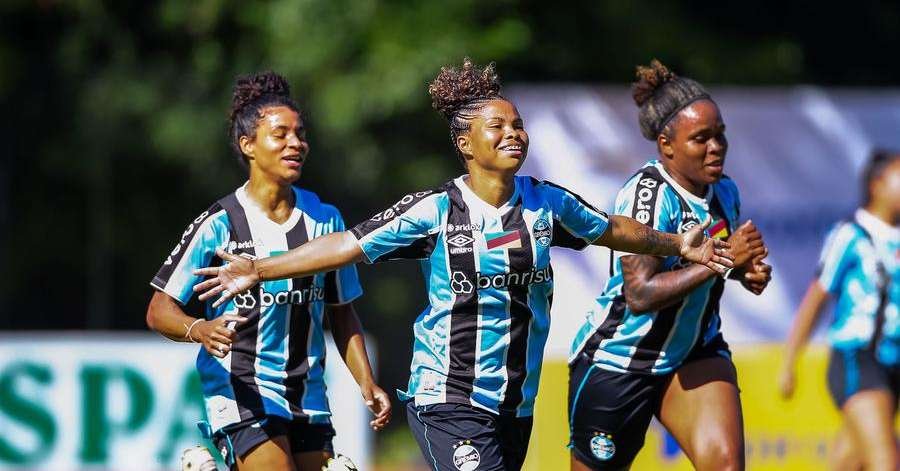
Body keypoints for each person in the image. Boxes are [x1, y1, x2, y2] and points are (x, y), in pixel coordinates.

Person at [192, 58, 733, 471]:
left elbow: (613, 229)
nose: (513, 133)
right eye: (497, 126)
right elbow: (346, 246)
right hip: (447, 398)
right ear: (465, 144)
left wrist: (677, 245)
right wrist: (260, 269)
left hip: (515, 405)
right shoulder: (435, 210)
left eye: (518, 124)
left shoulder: (546, 202)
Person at [145, 71, 390, 471]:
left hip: (308, 392)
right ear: (248, 145)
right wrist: (199, 329)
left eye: (301, 134)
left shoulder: (325, 220)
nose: (296, 143)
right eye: (281, 134)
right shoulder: (220, 224)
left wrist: (367, 382)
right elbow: (159, 309)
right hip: (241, 388)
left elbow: (342, 311)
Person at [568, 60, 772, 470]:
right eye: (701, 138)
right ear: (667, 145)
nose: (716, 147)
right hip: (621, 360)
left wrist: (743, 272)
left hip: (695, 350)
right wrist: (724, 259)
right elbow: (640, 294)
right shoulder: (647, 195)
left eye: (720, 135)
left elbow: (713, 267)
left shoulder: (724, 191)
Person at [779, 150, 900, 471]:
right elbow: (816, 299)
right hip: (856, 358)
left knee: (850, 461)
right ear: (877, 184)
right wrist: (790, 362)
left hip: (893, 363)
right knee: (886, 461)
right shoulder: (851, 234)